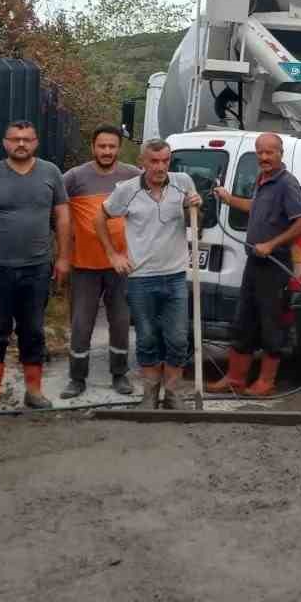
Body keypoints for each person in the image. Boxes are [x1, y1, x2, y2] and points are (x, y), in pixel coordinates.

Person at [0, 120, 71, 412]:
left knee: (33, 330)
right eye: (15, 139)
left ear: (36, 142)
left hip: (36, 268)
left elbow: (62, 217)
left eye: (27, 139)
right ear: (5, 142)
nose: (21, 144)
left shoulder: (50, 173)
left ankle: (34, 392)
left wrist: (63, 257)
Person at [95, 139, 201, 410]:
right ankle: (150, 395)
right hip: (141, 277)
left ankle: (173, 394)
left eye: (165, 161)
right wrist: (113, 254)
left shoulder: (183, 182)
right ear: (143, 162)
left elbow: (195, 222)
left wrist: (197, 206)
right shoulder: (127, 190)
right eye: (154, 161)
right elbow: (100, 218)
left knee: (178, 338)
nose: (160, 167)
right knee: (147, 338)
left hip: (175, 275)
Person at [209, 132, 301, 397]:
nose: (264, 157)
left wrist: (272, 244)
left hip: (274, 266)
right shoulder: (263, 180)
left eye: (270, 153)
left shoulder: (288, 184)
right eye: (260, 153)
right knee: (243, 321)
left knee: (271, 324)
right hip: (254, 263)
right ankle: (235, 378)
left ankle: (266, 383)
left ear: (280, 153)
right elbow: (255, 207)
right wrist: (228, 198)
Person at [60, 124, 141, 399]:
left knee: (120, 321)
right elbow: (55, 208)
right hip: (84, 265)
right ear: (92, 147)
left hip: (121, 266)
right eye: (101, 146)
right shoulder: (73, 177)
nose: (106, 151)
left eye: (112, 146)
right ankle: (76, 378)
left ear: (119, 148)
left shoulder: (132, 176)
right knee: (82, 323)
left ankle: (119, 374)